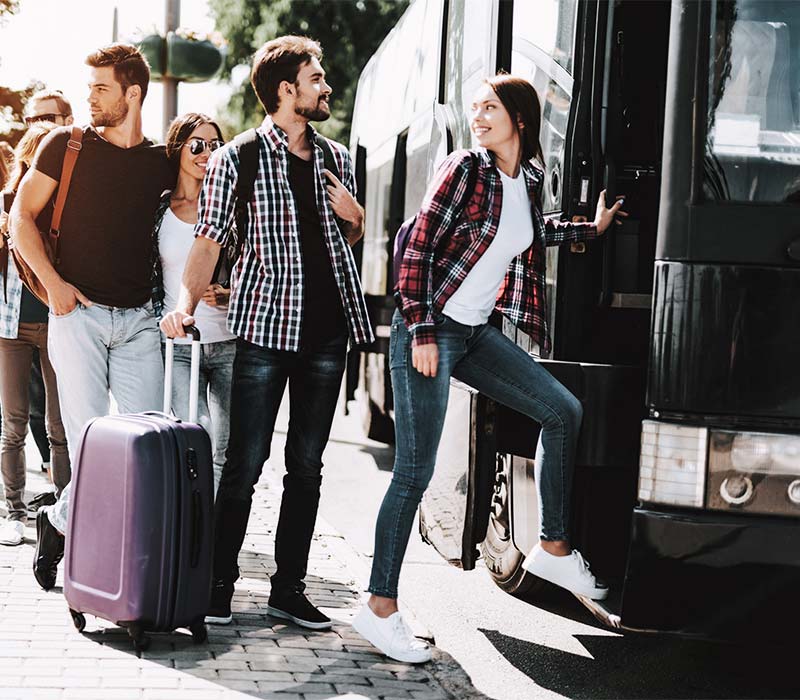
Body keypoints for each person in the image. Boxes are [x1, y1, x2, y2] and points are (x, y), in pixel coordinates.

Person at [352, 74, 627, 663]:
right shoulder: (464, 168)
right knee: (413, 473)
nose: (477, 116)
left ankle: (552, 547)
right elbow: (417, 250)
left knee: (562, 411)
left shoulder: (524, 178)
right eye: (474, 106)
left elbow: (529, 233)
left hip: (475, 332)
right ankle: (379, 608)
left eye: (490, 108)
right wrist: (422, 332)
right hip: (429, 328)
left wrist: (590, 230)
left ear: (520, 120)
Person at [160, 35, 374, 629]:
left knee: (307, 467)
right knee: (245, 465)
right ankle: (219, 586)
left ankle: (288, 589)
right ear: (287, 90)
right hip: (266, 331)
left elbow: (341, 244)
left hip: (328, 336)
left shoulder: (336, 159)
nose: (326, 85)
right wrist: (185, 304)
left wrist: (355, 221)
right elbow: (209, 241)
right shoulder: (241, 158)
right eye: (317, 76)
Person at [10, 43, 173, 590]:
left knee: (144, 448)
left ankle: (57, 522)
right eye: (90, 88)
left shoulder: (160, 163)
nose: (90, 98)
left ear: (133, 92)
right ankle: (100, 564)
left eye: (101, 88)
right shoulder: (65, 145)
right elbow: (20, 219)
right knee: (87, 449)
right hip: (77, 316)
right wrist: (54, 287)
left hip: (139, 324)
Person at [155, 112, 235, 494]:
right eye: (197, 145)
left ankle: (211, 537)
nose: (207, 153)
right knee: (194, 431)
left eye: (215, 145)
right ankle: (188, 520)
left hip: (230, 341)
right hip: (180, 345)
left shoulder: (233, 208)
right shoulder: (158, 210)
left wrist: (231, 291)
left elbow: (257, 263)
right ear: (178, 149)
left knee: (224, 447)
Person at [0, 122, 70, 545]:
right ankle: (13, 510)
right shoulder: (8, 205)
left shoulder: (67, 206)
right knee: (13, 423)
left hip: (57, 325)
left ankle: (65, 509)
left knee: (59, 426)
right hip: (10, 328)